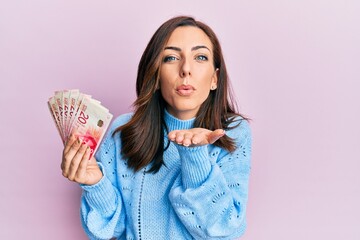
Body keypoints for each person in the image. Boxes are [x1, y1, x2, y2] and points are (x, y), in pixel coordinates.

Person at [61, 15, 252, 240]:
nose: (186, 69)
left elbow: (224, 230)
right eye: (171, 57)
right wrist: (95, 184)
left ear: (215, 79)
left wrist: (195, 156)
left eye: (200, 57)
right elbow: (111, 230)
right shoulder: (124, 131)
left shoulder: (232, 133)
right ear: (156, 74)